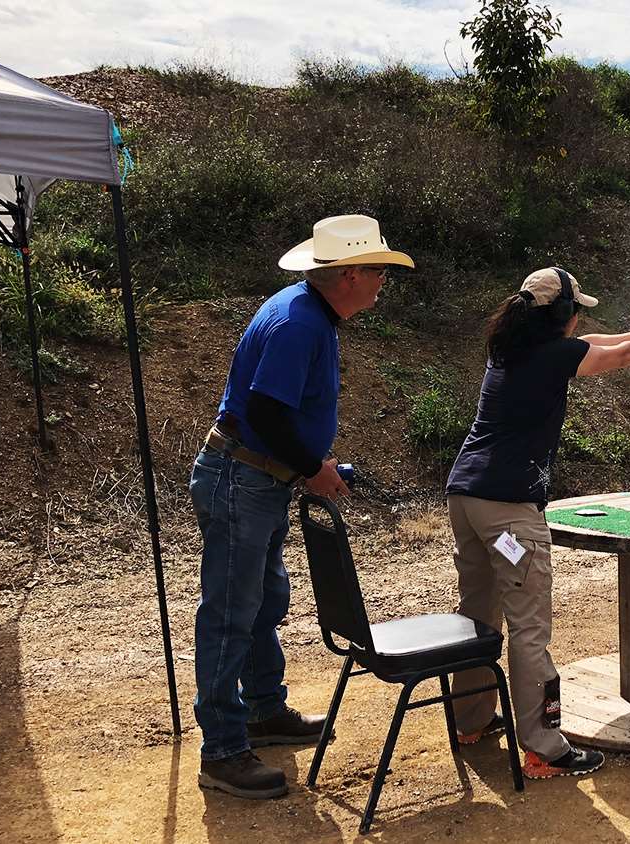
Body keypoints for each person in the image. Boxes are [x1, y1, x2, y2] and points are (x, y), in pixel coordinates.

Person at [191, 215, 413, 799]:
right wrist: (314, 469)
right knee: (232, 613)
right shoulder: (299, 324)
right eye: (378, 271)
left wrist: (311, 462)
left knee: (263, 602)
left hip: (256, 477)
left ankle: (264, 711)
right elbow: (265, 411)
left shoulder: (309, 314)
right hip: (244, 478)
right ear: (348, 275)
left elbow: (279, 413)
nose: (382, 282)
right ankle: (222, 750)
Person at [445, 267, 630, 778]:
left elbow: (595, 342)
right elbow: (609, 356)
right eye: (576, 310)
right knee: (528, 628)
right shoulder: (554, 355)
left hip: (466, 496)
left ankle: (470, 722)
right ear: (562, 317)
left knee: (477, 617)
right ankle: (543, 746)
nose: (579, 319)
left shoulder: (509, 350)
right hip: (508, 507)